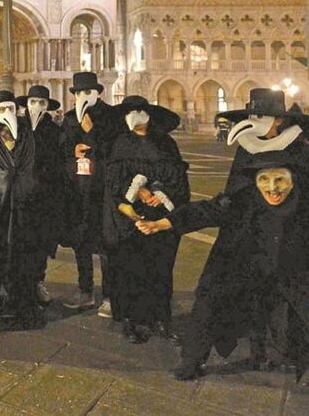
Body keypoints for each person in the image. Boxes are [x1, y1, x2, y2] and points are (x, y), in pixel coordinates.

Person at [137, 151, 309, 410]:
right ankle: (191, 362)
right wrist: (162, 224)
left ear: (293, 180)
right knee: (208, 303)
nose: (273, 189)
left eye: (280, 180)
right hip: (247, 269)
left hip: (296, 274)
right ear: (255, 181)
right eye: (264, 180)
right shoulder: (242, 199)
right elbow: (206, 211)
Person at [102, 96, 188, 344]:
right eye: (129, 112)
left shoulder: (166, 143)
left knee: (160, 268)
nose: (134, 116)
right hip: (129, 219)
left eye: (139, 111)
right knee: (129, 268)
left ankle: (160, 319)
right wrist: (136, 192)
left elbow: (178, 177)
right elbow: (113, 180)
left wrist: (161, 194)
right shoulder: (119, 143)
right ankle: (131, 320)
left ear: (149, 116)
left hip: (160, 218)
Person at [0, 91, 42, 329]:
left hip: (22, 206)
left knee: (21, 254)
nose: (8, 113)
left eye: (11, 108)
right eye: (2, 109)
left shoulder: (26, 136)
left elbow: (31, 167)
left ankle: (19, 301)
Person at [59, 72, 121, 314]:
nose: (82, 96)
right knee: (81, 242)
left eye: (87, 92)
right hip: (78, 190)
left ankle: (110, 295)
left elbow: (115, 150)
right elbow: (63, 149)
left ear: (97, 92)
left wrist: (92, 131)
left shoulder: (112, 117)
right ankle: (85, 290)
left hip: (103, 189)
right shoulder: (69, 118)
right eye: (78, 93)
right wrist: (73, 150)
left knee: (107, 244)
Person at [16, 85, 64, 306]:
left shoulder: (54, 131)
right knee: (19, 242)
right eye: (33, 102)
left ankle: (38, 281)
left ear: (47, 106)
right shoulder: (17, 127)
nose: (36, 106)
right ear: (26, 104)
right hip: (19, 196)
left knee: (41, 243)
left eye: (41, 102)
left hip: (44, 197)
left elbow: (58, 162)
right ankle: (18, 285)